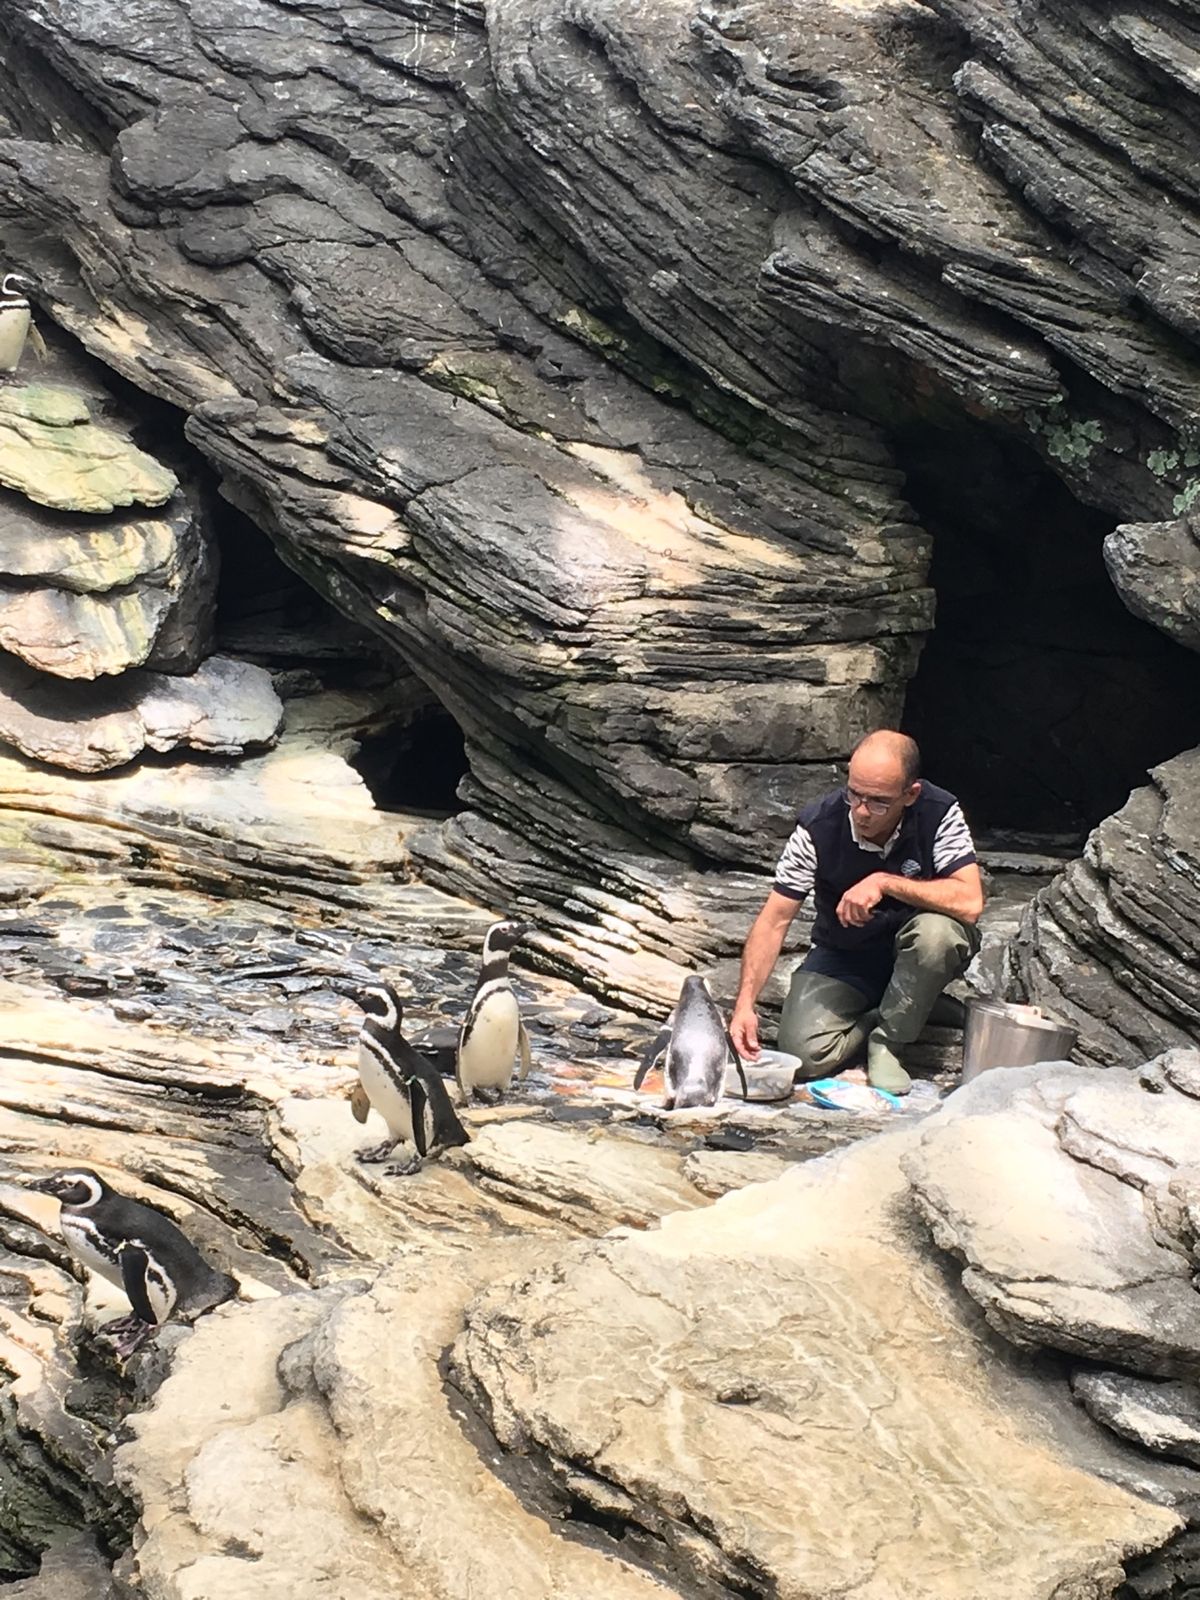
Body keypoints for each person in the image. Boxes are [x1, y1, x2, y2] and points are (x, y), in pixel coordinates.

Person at [728, 730, 984, 1095]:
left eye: (878, 802)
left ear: (910, 795)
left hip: (917, 946)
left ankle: (889, 1042)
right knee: (805, 1054)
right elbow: (775, 919)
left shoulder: (939, 812)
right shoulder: (818, 826)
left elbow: (970, 902)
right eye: (855, 795)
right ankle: (907, 1006)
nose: (862, 812)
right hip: (846, 952)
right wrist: (744, 1005)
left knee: (936, 935)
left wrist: (885, 882)